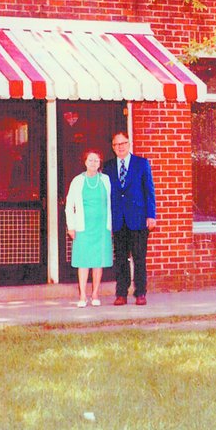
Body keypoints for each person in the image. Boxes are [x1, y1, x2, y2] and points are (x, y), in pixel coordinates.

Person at [103, 131, 156, 306]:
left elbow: (149, 191)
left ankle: (140, 293)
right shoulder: (108, 166)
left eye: (123, 143)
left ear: (129, 143)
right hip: (118, 220)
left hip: (138, 219)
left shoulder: (141, 163)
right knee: (121, 259)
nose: (120, 147)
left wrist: (151, 215)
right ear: (113, 147)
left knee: (139, 258)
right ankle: (121, 294)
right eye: (116, 144)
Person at [65, 149, 113, 308]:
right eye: (90, 160)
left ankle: (95, 294)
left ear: (100, 163)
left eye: (97, 161)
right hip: (83, 228)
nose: (93, 163)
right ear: (85, 162)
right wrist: (71, 227)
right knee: (83, 262)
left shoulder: (105, 180)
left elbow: (110, 203)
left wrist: (111, 225)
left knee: (98, 262)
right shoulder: (77, 181)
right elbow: (69, 205)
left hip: (101, 227)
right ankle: (82, 296)